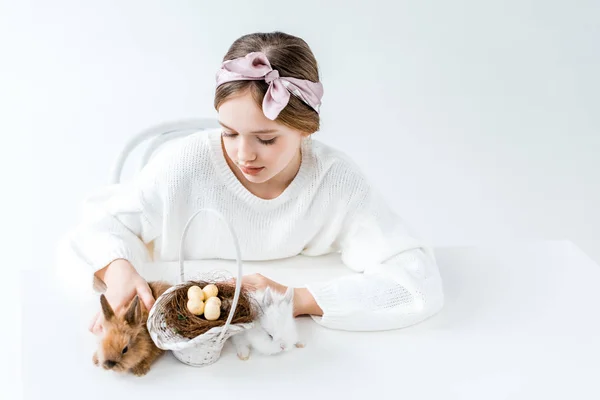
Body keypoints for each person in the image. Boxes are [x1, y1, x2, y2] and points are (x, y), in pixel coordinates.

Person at [66, 31, 444, 334]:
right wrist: (118, 268)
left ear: (305, 129)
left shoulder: (334, 181)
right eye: (229, 133)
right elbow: (100, 222)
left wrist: (295, 299)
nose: (243, 154)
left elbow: (414, 280)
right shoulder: (185, 163)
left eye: (266, 139)